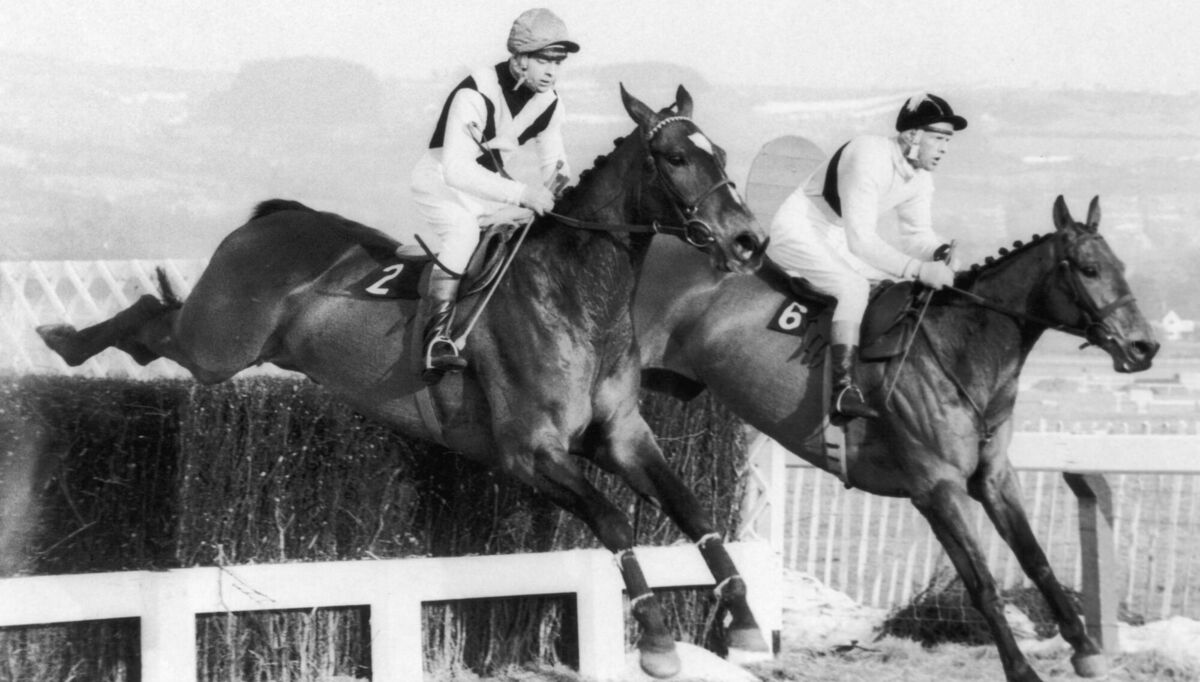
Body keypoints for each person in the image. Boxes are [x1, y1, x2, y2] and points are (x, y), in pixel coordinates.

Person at [767, 93, 967, 419]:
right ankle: (842, 388)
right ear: (912, 135)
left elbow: (916, 235)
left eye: (948, 140)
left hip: (837, 236)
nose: (944, 148)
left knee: (889, 285)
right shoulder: (868, 154)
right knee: (853, 288)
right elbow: (861, 242)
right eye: (938, 138)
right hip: (799, 228)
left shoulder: (920, 178)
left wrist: (940, 252)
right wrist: (919, 268)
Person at [410, 8, 578, 383]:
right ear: (519, 58)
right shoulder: (475, 91)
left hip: (488, 188)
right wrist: (522, 193)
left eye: (558, 62)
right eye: (542, 60)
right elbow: (456, 169)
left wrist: (563, 191)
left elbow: (555, 166)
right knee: (464, 232)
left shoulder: (550, 103)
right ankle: (435, 340)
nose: (552, 71)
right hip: (440, 180)